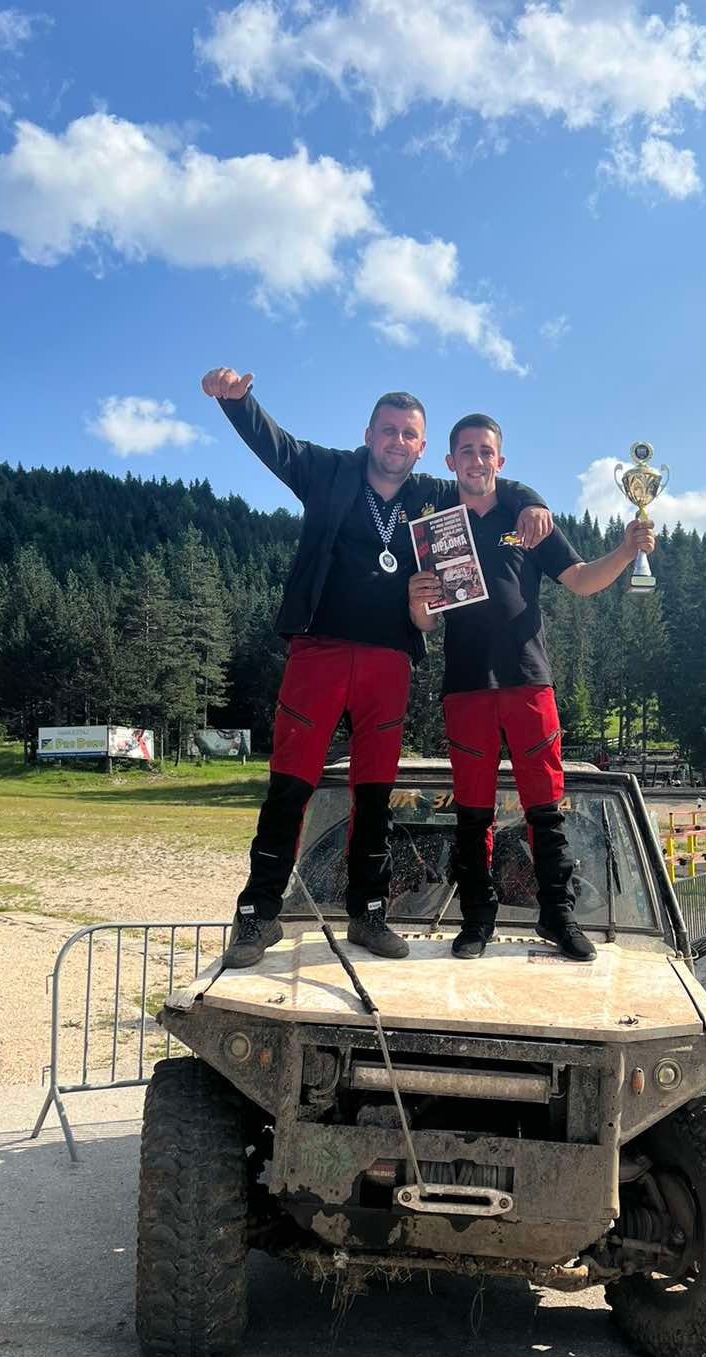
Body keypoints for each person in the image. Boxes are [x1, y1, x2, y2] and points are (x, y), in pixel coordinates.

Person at [200, 369, 552, 968]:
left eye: (409, 434)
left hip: (389, 660)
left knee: (375, 791)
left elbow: (486, 479)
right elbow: (277, 447)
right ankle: (258, 915)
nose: (397, 441)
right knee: (291, 785)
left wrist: (530, 500)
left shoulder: (431, 494)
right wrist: (239, 402)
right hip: (319, 651)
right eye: (388, 430)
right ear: (369, 434)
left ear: (422, 447)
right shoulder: (329, 471)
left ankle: (367, 912)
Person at [409, 413, 655, 961]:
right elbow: (426, 623)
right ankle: (476, 920)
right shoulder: (435, 524)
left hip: (528, 680)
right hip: (466, 685)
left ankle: (557, 916)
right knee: (473, 812)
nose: (477, 460)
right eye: (466, 451)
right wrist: (416, 603)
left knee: (545, 807)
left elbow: (582, 581)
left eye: (486, 451)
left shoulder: (528, 520)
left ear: (500, 460)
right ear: (450, 462)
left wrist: (624, 549)